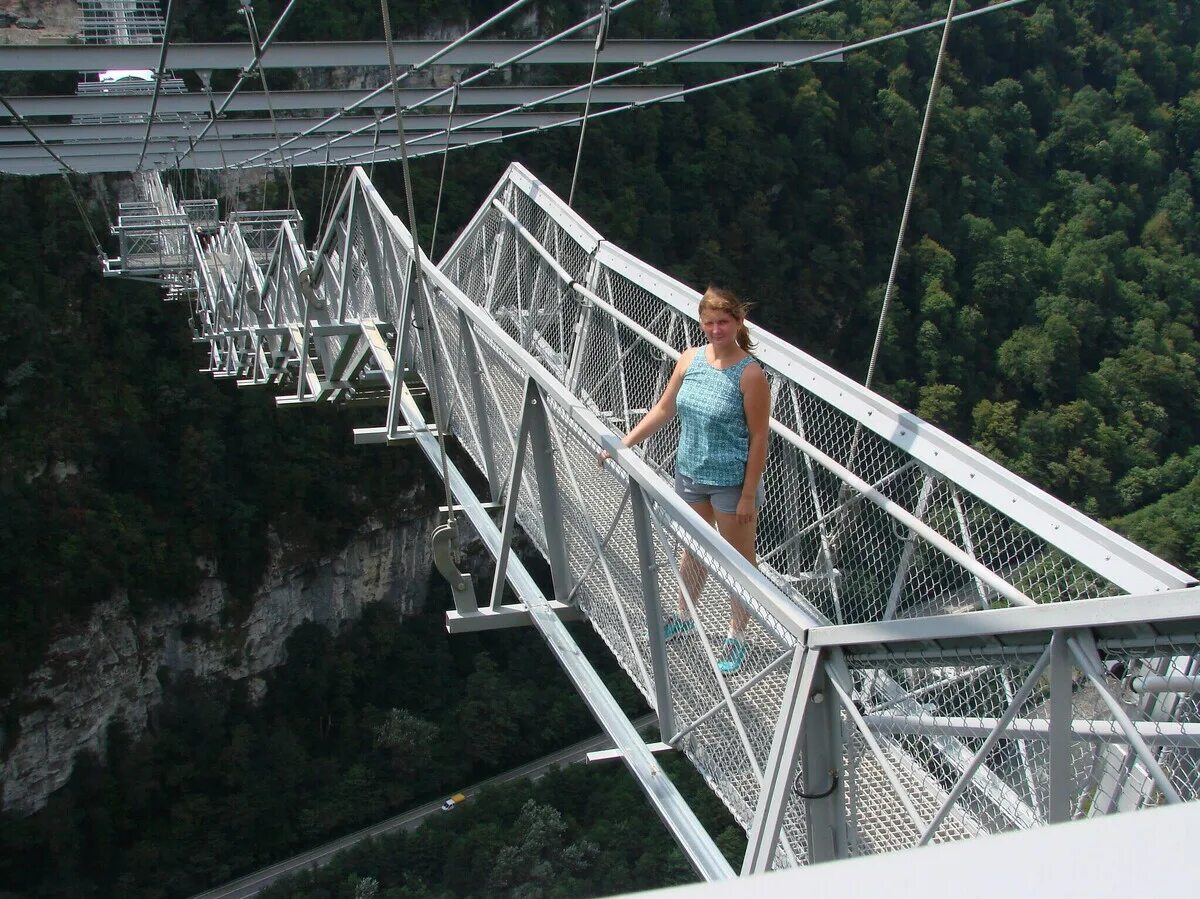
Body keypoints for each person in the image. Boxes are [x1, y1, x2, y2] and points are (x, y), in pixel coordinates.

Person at [598, 286, 770, 674]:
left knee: (738, 562)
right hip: (690, 474)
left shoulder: (751, 374)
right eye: (708, 322)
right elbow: (663, 409)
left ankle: (736, 637)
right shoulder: (690, 359)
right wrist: (622, 445)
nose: (715, 329)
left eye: (723, 322)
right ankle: (684, 615)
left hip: (731, 483)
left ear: (738, 322)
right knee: (692, 548)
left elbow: (760, 436)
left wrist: (746, 495)